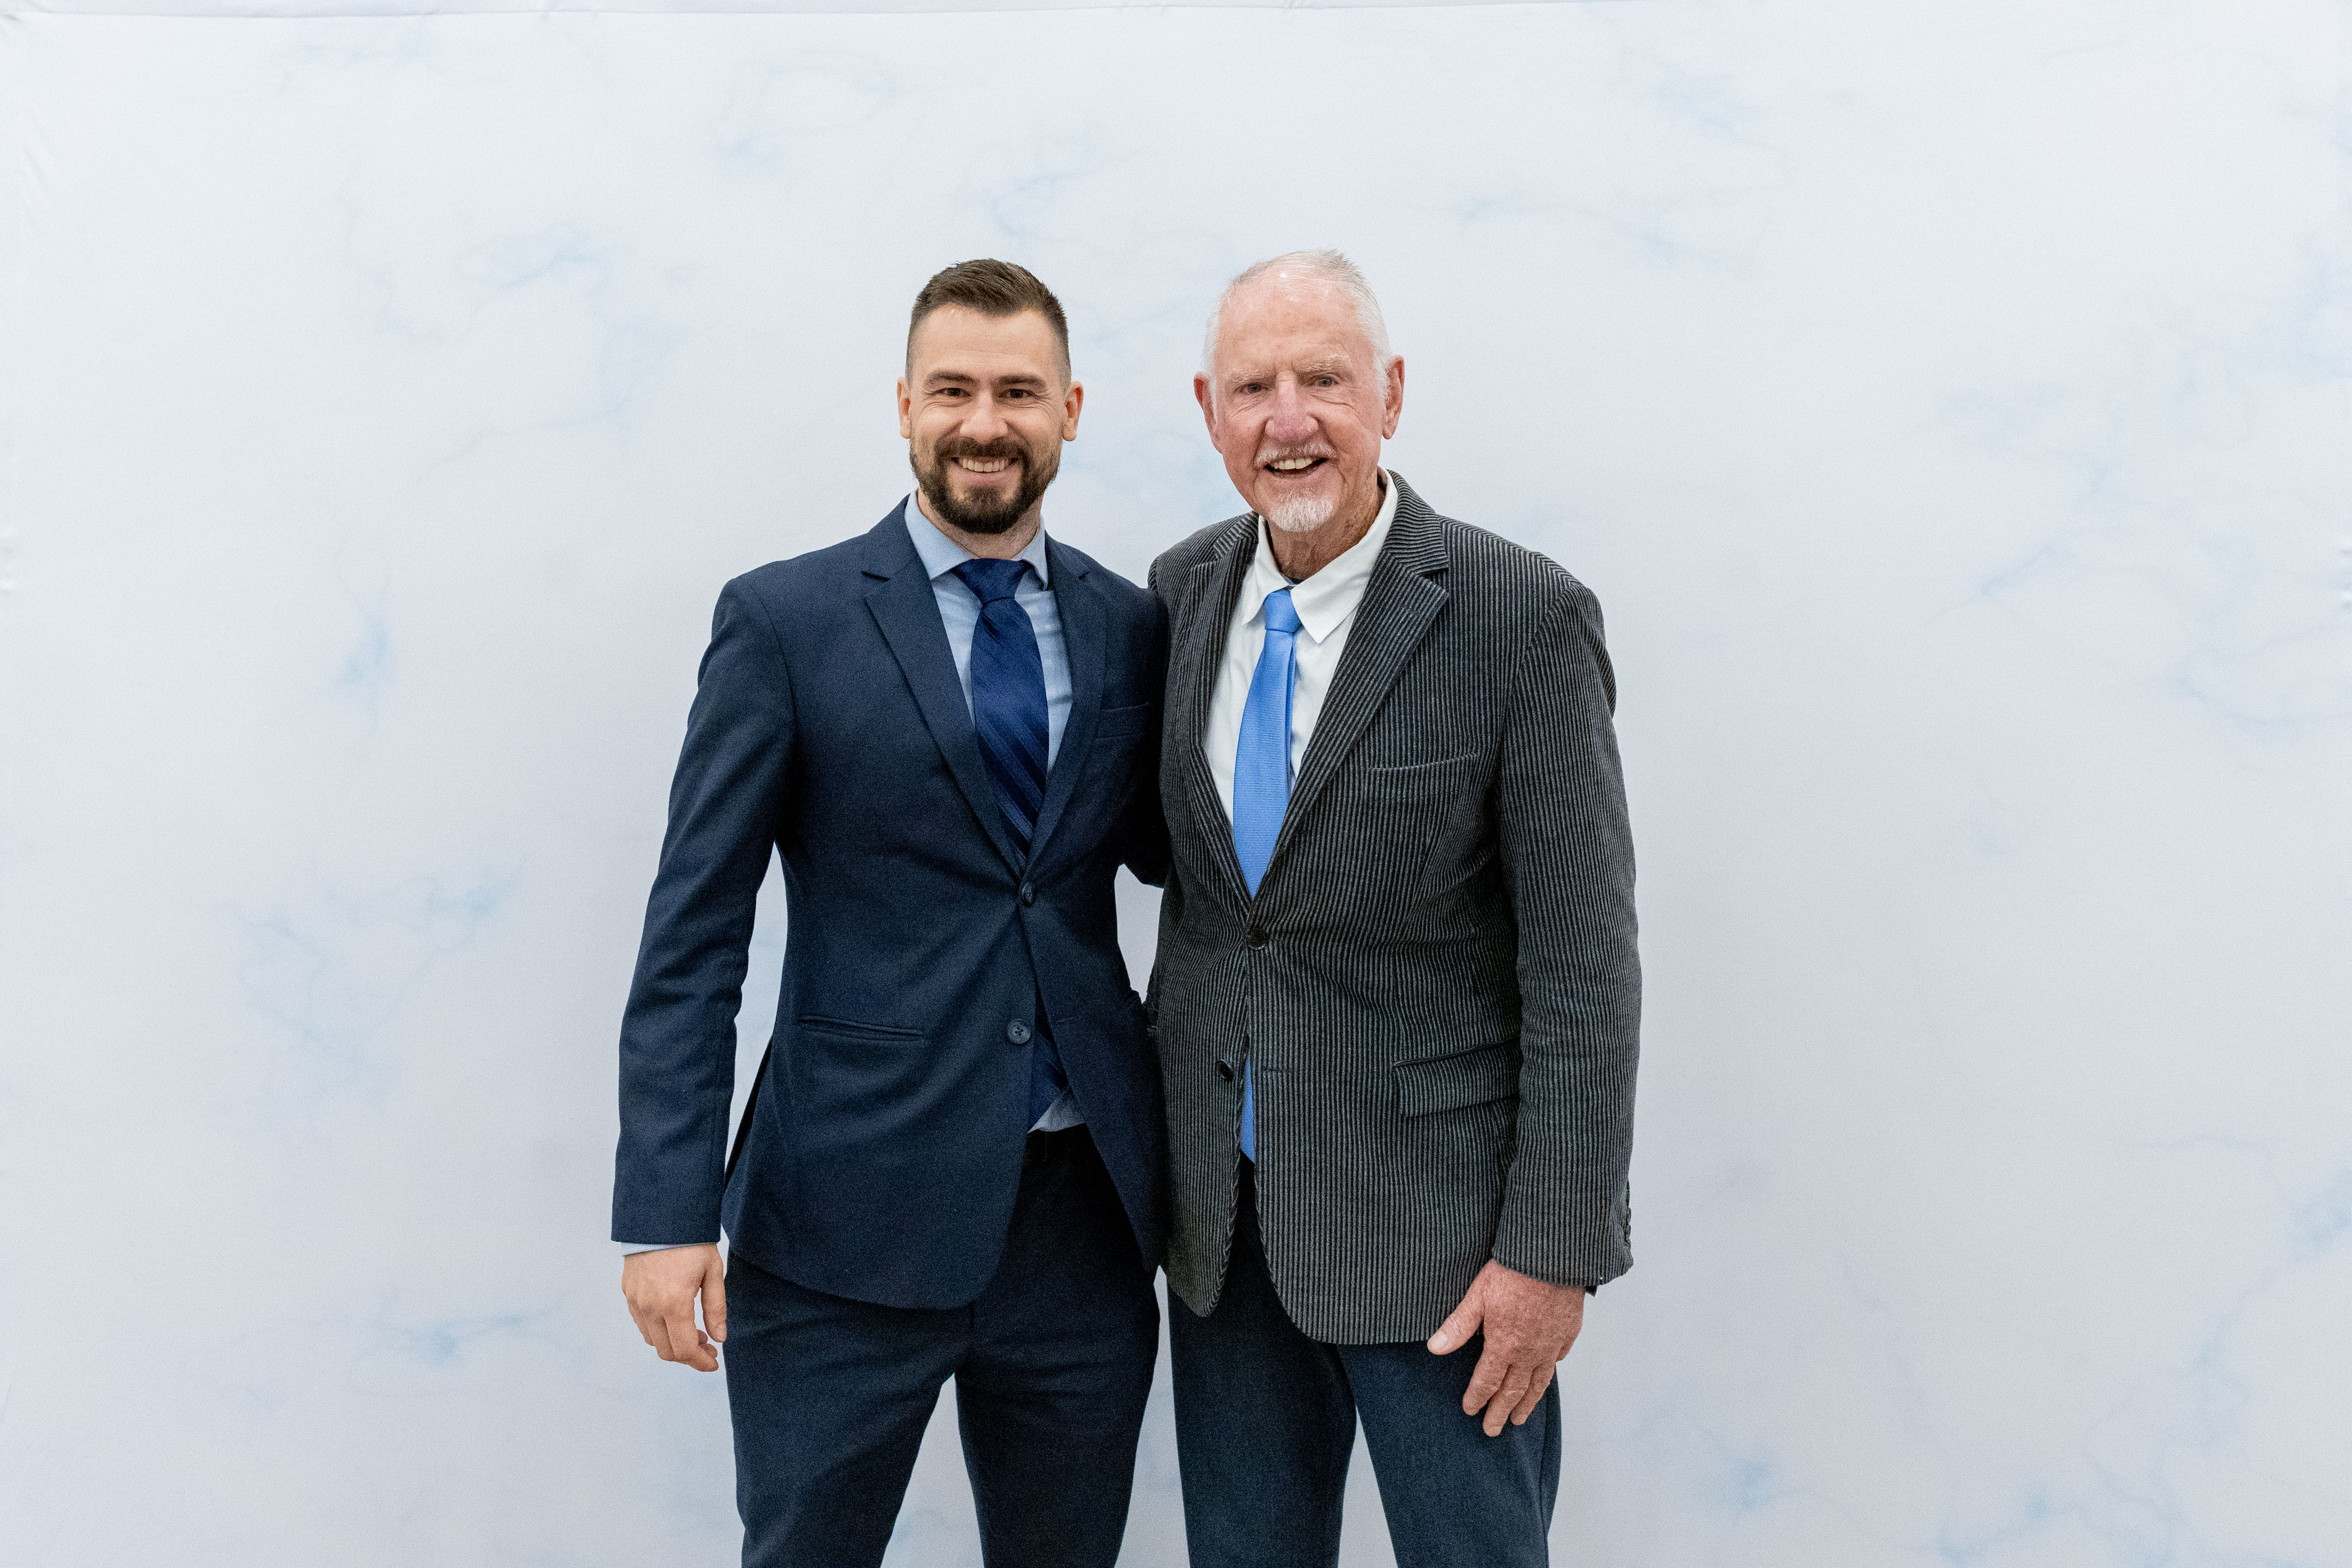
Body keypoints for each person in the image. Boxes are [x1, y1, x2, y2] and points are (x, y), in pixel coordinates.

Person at [611, 259, 1170, 1568]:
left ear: (1071, 408)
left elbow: (1176, 862)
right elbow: (695, 933)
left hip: (1081, 1230)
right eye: (954, 389)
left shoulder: (1135, 627)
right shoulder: (785, 622)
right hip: (838, 1225)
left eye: (1018, 391)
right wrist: (666, 1210)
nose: (986, 422)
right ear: (905, 405)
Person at [1146, 250, 1641, 1567]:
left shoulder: (1521, 615)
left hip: (1449, 1253)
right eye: (1253, 387)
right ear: (1209, 411)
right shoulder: (1180, 595)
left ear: (1392, 394)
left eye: (1324, 379)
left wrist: (1553, 1254)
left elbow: (1586, 968)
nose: (1289, 420)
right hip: (1225, 1240)